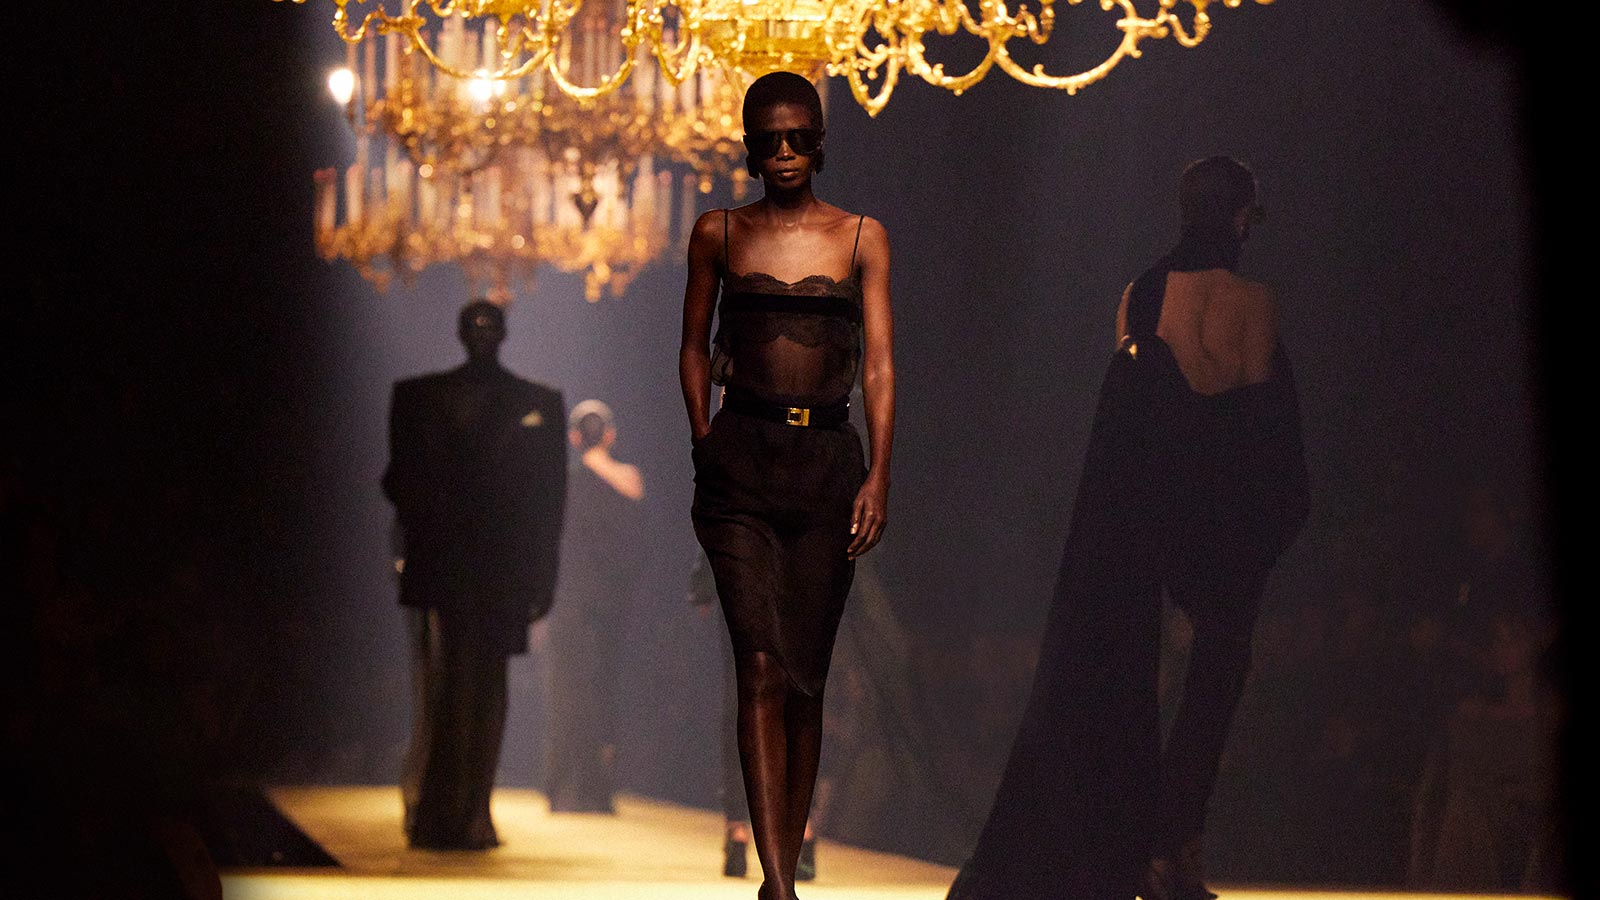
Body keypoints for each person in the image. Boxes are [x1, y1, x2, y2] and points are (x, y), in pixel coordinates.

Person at [947, 157, 1309, 900]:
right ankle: (1176, 846)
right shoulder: (1253, 301)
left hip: (1145, 508)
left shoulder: (1139, 295)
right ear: (1240, 216)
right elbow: (1256, 425)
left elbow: (1131, 418)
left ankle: (1123, 841)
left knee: (1122, 668)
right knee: (1219, 670)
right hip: (1218, 513)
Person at [679, 70, 895, 900]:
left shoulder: (862, 236)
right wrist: (704, 438)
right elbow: (692, 344)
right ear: (748, 147)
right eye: (768, 139)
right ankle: (778, 882)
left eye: (798, 136)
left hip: (828, 465)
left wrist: (880, 473)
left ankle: (786, 858)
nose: (784, 151)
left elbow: (879, 365)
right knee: (761, 667)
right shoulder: (719, 232)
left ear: (821, 143)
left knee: (807, 677)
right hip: (741, 463)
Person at [382, 300, 567, 850]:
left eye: (490, 325)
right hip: (447, 562)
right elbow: (399, 483)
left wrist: (544, 575)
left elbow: (551, 499)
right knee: (450, 681)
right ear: (461, 332)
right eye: (475, 325)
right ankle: (442, 810)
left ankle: (467, 808)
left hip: (496, 566)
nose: (483, 333)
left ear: (503, 333)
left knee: (481, 682)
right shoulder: (418, 397)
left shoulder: (537, 402)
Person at [546, 399, 645, 813]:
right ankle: (598, 791)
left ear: (573, 438)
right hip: (612, 606)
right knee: (604, 691)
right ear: (610, 435)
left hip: (568, 602)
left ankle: (563, 789)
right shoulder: (629, 482)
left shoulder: (562, 484)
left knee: (566, 692)